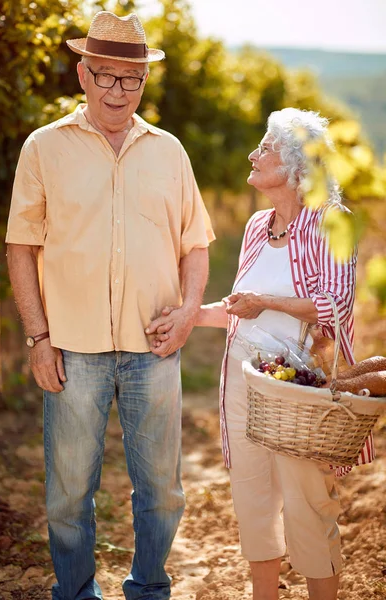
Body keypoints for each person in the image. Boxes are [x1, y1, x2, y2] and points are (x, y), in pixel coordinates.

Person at [5, 11, 215, 600]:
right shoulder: (44, 148)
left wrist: (190, 308)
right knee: (68, 493)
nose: (119, 91)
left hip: (154, 347)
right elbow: (20, 248)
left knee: (164, 490)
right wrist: (38, 337)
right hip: (72, 348)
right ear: (82, 73)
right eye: (106, 76)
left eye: (133, 79)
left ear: (145, 81)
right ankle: (74, 594)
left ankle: (149, 588)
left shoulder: (169, 152)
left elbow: (194, 244)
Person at [147, 108, 374, 600]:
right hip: (245, 379)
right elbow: (238, 310)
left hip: (299, 390)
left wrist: (265, 302)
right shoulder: (255, 226)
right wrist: (184, 317)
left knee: (307, 504)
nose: (253, 154)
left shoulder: (331, 224)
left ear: (295, 166)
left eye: (265, 147)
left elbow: (334, 307)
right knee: (252, 499)